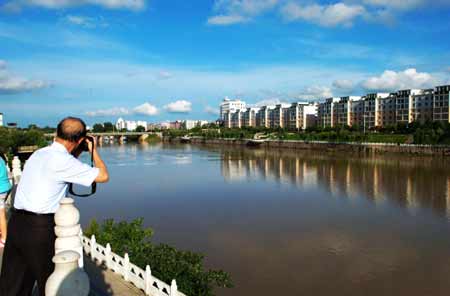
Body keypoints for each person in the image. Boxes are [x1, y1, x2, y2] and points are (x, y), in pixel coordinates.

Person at [0, 117, 109, 296]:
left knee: (13, 285)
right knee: (51, 284)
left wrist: (78, 149)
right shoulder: (64, 162)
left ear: (58, 133)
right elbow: (103, 176)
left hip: (17, 223)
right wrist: (93, 151)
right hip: (40, 229)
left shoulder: (39, 153)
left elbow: (64, 165)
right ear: (80, 140)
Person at [0, 152, 12, 248]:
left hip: (1, 189)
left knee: (1, 214)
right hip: (5, 187)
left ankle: (4, 238)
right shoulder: (0, 159)